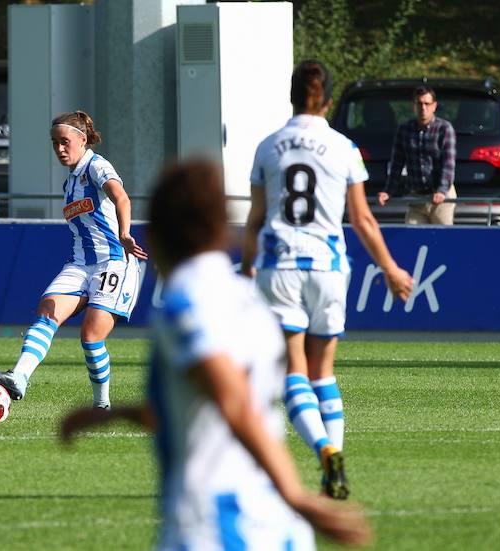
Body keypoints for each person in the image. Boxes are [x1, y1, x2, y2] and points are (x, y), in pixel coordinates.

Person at [61, 159, 372, 550]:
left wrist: (297, 493)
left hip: (218, 523)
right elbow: (203, 403)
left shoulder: (185, 302)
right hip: (278, 525)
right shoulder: (250, 298)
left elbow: (231, 398)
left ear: (157, 237)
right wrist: (115, 415)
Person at [241, 60, 414, 500]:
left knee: (293, 369)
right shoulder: (345, 149)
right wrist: (391, 269)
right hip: (329, 267)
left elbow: (255, 219)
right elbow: (362, 219)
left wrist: (246, 267)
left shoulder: (268, 146)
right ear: (330, 100)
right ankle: (334, 452)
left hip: (280, 266)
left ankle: (323, 452)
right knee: (324, 371)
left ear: (291, 96)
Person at [0, 110, 148, 409]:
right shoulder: (69, 183)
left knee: (91, 335)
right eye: (54, 143)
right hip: (80, 263)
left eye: (65, 142)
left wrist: (125, 233)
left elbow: (121, 197)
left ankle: (102, 405)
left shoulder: (96, 166)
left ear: (82, 140)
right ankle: (19, 377)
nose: (59, 148)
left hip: (113, 261)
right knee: (47, 310)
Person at [377, 84, 457, 224]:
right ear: (414, 106)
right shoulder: (404, 130)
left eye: (427, 103)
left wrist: (441, 190)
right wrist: (388, 191)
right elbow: (396, 164)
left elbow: (448, 164)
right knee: (412, 235)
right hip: (417, 197)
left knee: (443, 239)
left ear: (434, 106)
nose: (423, 108)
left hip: (441, 197)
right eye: (419, 104)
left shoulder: (444, 129)